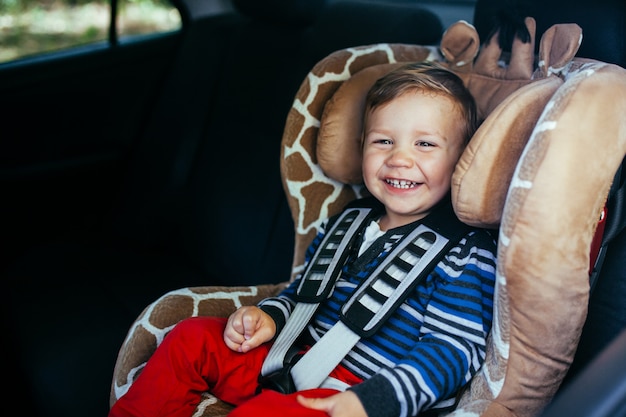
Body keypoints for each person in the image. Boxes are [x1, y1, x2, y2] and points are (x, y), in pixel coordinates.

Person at [109, 61, 497, 417]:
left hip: (360, 396)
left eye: (425, 144)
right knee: (190, 338)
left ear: (461, 159)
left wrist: (372, 401)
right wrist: (267, 317)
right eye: (383, 141)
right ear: (362, 145)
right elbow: (300, 295)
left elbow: (453, 350)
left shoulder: (465, 251)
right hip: (290, 360)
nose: (399, 158)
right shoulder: (348, 221)